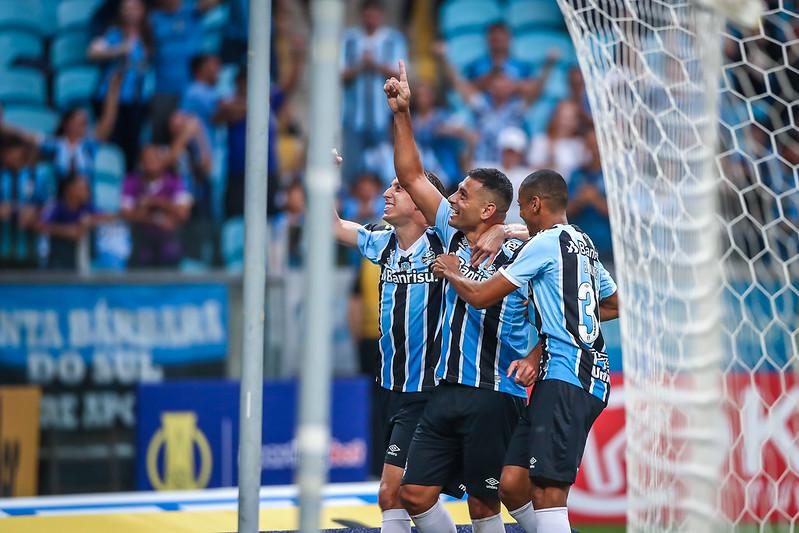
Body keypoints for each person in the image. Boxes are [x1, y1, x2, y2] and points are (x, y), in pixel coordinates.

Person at [385, 61, 537, 533]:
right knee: (413, 494)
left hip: (495, 393)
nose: (451, 198)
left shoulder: (521, 251)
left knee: (485, 504)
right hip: (446, 387)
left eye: (463, 195)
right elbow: (412, 175)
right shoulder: (453, 235)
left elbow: (559, 302)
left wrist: (506, 234)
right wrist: (402, 113)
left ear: (488, 209)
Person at [431, 169, 620, 533]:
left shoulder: (543, 245)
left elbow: (481, 296)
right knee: (513, 483)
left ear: (536, 204)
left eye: (521, 208)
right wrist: (546, 341)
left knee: (549, 493)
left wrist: (453, 271)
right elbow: (612, 304)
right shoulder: (581, 241)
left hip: (569, 375)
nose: (520, 216)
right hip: (569, 375)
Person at [335, 171, 470, 533]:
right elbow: (331, 226)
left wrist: (504, 230)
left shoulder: (448, 245)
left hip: (429, 393)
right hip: (392, 388)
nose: (386, 192)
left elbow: (505, 230)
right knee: (405, 496)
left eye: (399, 188)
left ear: (424, 205)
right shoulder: (382, 243)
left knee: (393, 493)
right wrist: (327, 176)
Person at [340, 0, 407, 183]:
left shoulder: (394, 39)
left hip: (383, 120)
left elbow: (400, 75)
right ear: (362, 16)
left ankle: (383, 208)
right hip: (353, 120)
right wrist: (361, 66)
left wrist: (375, 65)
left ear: (381, 16)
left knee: (385, 170)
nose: (371, 19)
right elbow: (338, 74)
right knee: (351, 171)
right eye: (367, 15)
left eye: (374, 15)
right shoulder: (349, 39)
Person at [88, 0, 152, 170]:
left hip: (137, 100)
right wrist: (118, 49)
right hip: (111, 99)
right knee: (110, 141)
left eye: (135, 8)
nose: (131, 12)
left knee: (133, 146)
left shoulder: (147, 36)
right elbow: (93, 52)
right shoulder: (112, 33)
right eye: (127, 8)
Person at [148, 0, 220, 143]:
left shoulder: (192, 11)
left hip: (192, 91)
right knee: (162, 142)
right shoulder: (153, 19)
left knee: (194, 141)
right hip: (163, 91)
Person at [39, 72, 122, 180]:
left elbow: (108, 122)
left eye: (85, 123)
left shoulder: (88, 145)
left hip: (84, 194)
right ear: (66, 123)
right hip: (60, 194)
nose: (84, 126)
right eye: (80, 122)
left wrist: (113, 91)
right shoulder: (55, 144)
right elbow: (27, 137)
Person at [120, 144, 192, 267]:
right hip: (141, 242)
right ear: (140, 163)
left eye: (154, 159)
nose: (150, 163)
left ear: (162, 161)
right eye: (146, 159)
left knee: (171, 252)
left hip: (168, 243)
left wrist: (158, 202)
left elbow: (183, 213)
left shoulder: (175, 182)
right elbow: (125, 214)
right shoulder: (131, 182)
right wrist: (153, 219)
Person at [38, 174, 114, 270]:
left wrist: (89, 221)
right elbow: (41, 225)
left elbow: (109, 217)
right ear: (69, 189)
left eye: (87, 188)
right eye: (82, 188)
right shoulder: (57, 206)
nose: (87, 192)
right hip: (57, 262)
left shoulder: (86, 206)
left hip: (76, 263)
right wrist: (69, 231)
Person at [0, 136, 49, 269]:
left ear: (23, 151)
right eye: (6, 152)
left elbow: (48, 207)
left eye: (13, 151)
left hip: (29, 251)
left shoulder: (38, 175)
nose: (10, 155)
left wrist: (35, 213)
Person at [568, 130, 612, 267]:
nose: (595, 150)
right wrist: (579, 201)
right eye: (591, 145)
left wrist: (595, 200)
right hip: (580, 250)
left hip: (608, 251)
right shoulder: (577, 174)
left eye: (597, 145)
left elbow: (625, 217)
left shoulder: (615, 177)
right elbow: (563, 211)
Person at [475, 126, 532, 225]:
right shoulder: (486, 169)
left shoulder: (528, 175)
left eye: (513, 152)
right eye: (507, 151)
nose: (510, 156)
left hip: (518, 226)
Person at [528, 99, 589, 182]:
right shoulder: (540, 140)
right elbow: (532, 171)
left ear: (577, 122)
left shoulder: (580, 145)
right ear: (555, 117)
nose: (565, 123)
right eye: (562, 117)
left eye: (570, 119)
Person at [463, 23, 532, 91]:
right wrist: (492, 74)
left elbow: (531, 91)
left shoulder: (522, 67)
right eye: (495, 41)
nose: (499, 45)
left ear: (509, 40)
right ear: (487, 41)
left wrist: (509, 82)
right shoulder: (476, 66)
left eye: (502, 40)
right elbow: (468, 91)